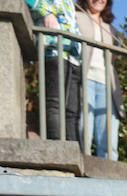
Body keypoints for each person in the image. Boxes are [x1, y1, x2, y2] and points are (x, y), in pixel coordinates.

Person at [26, 0, 83, 143]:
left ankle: (74, 150)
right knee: (54, 104)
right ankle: (58, 146)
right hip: (53, 50)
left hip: (73, 56)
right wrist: (47, 13)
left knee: (72, 112)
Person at [74, 0, 125, 159]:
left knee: (108, 138)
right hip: (85, 79)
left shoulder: (110, 29)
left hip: (106, 85)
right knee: (84, 132)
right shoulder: (76, 16)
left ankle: (110, 178)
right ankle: (81, 173)